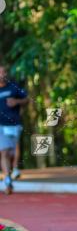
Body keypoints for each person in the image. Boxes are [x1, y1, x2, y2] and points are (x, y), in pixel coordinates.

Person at [0, 64, 28, 194]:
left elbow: (27, 99)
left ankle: (12, 170)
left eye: (3, 72)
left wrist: (16, 102)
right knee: (4, 152)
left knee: (11, 153)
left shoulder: (14, 87)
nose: (2, 75)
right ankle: (7, 180)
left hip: (14, 124)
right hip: (1, 126)